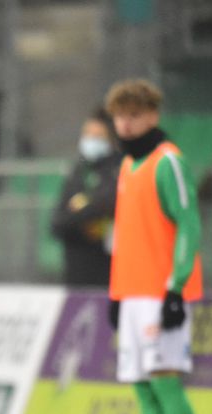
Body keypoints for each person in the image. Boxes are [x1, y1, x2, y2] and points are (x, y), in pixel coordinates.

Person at [104, 79, 209, 414]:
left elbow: (188, 223)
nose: (125, 125)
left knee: (166, 383)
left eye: (134, 116)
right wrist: (117, 293)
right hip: (132, 293)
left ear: (152, 116)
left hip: (159, 291)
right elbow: (128, 235)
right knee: (142, 388)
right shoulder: (128, 166)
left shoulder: (168, 162)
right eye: (119, 117)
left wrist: (175, 288)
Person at [51, 107, 120, 287]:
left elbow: (107, 203)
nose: (91, 140)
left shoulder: (118, 168)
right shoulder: (78, 170)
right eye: (87, 134)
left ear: (111, 140)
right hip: (75, 270)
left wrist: (80, 211)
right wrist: (86, 213)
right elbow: (57, 222)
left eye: (98, 136)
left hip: (107, 271)